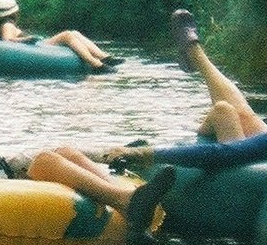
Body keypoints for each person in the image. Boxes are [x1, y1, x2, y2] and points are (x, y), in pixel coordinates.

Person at [0, 85, 177, 245]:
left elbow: (7, 162)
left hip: (1, 188)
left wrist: (109, 153)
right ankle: (126, 202)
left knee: (61, 152)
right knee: (44, 161)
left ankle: (129, 202)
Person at [104, 9, 267, 169]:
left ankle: (194, 52)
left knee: (222, 112)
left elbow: (224, 155)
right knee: (229, 112)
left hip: (245, 174)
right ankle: (194, 53)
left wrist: (143, 153)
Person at [0, 0, 124, 70]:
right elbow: (7, 41)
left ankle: (105, 57)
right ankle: (97, 64)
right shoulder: (7, 25)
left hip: (37, 45)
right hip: (38, 47)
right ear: (14, 12)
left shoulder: (4, 24)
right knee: (67, 35)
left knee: (75, 33)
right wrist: (26, 39)